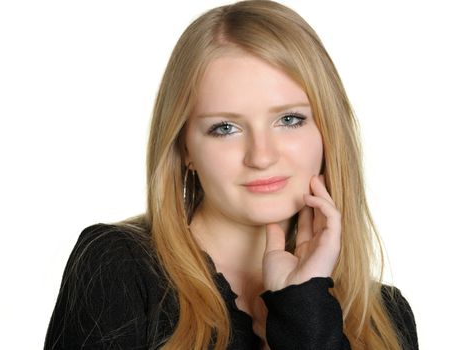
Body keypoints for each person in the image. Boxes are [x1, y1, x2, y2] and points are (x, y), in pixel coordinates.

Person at [44, 1, 418, 349]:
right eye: (225, 128)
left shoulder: (386, 318)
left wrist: (306, 309)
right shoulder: (118, 267)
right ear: (185, 148)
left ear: (327, 132)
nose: (261, 156)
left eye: (289, 119)